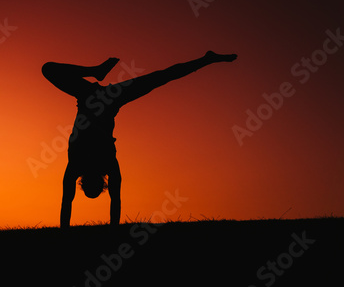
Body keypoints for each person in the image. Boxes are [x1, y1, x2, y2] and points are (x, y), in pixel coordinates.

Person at [42, 51, 237, 228]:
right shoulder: (108, 165)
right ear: (101, 182)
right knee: (161, 77)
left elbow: (67, 200)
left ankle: (96, 71)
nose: (93, 181)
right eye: (96, 185)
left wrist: (65, 233)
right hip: (108, 99)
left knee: (48, 68)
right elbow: (114, 200)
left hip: (89, 97)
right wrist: (113, 230)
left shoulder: (76, 165)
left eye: (89, 185)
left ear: (84, 182)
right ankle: (206, 59)